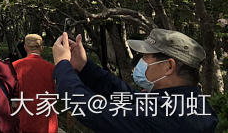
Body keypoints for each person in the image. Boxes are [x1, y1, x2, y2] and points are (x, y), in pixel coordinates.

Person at [52, 29, 218, 132]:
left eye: (146, 57)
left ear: (169, 66)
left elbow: (93, 110)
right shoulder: (186, 102)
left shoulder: (170, 115)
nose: (141, 62)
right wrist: (84, 66)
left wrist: (63, 65)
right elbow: (127, 96)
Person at [12, 34, 58, 133]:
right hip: (47, 122)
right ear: (42, 48)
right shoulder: (52, 68)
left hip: (24, 119)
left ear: (25, 47)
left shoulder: (15, 66)